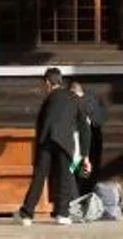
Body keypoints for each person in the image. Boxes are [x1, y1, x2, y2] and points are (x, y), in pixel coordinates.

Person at [18, 66, 82, 224]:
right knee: (64, 177)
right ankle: (62, 214)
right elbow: (81, 124)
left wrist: (38, 145)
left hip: (47, 141)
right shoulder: (73, 97)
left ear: (47, 82)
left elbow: (41, 123)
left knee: (39, 177)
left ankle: (27, 213)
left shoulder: (49, 99)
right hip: (65, 142)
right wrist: (84, 152)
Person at [68, 74, 106, 206]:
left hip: (81, 143)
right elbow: (99, 121)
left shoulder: (76, 103)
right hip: (94, 141)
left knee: (76, 172)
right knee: (88, 174)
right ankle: (87, 200)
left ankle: (77, 200)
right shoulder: (93, 101)